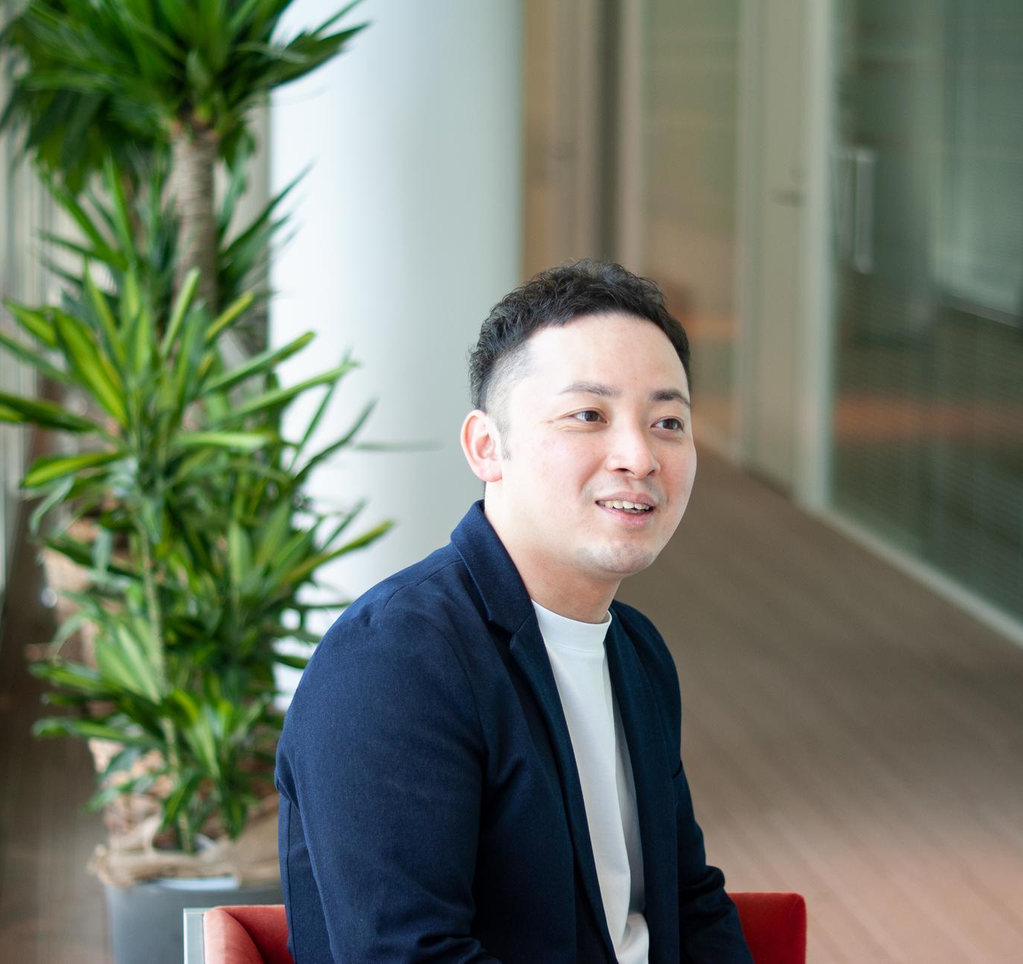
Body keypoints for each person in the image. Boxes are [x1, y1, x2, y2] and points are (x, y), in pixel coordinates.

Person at [276, 260, 754, 964]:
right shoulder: (396, 662)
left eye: (668, 422)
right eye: (588, 415)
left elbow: (688, 902)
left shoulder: (636, 650)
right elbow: (407, 955)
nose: (639, 456)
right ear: (487, 447)